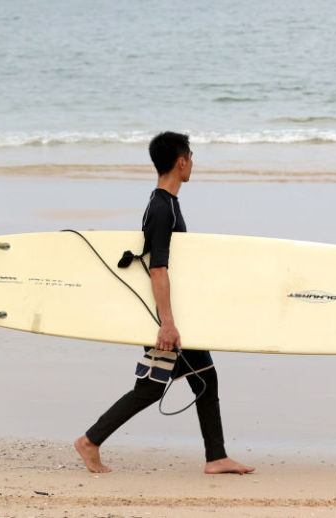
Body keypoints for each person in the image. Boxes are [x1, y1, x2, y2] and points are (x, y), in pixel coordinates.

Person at [74, 131, 254, 475]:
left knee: (202, 378)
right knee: (152, 388)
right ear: (181, 161)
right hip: (163, 317)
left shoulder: (167, 204)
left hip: (170, 314)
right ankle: (89, 441)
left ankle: (216, 457)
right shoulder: (161, 208)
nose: (193, 164)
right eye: (191, 157)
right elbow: (157, 268)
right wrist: (167, 323)